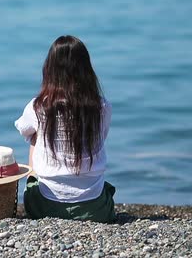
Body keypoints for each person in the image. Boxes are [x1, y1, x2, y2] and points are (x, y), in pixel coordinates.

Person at [14, 35, 116, 222]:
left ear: (50, 69)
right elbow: (102, 137)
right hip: (95, 209)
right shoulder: (102, 107)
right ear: (86, 70)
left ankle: (41, 181)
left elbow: (23, 130)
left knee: (36, 136)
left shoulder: (39, 107)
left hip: (43, 206)